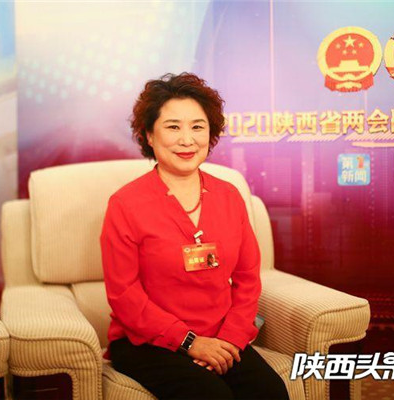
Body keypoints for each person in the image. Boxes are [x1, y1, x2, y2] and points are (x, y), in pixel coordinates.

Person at [100, 72, 289, 400]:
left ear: (210, 134)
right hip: (147, 342)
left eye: (197, 127)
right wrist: (189, 343)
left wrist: (230, 339)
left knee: (271, 392)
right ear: (149, 135)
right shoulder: (125, 204)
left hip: (220, 336)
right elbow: (124, 295)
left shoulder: (229, 195)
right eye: (173, 127)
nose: (187, 140)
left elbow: (247, 279)